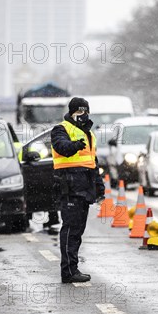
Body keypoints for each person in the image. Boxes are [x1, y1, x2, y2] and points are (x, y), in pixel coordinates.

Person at [51, 97, 105, 283]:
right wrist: (73, 146)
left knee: (78, 232)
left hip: (85, 188)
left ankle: (73, 269)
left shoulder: (90, 134)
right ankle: (67, 271)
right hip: (70, 186)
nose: (83, 115)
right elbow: (61, 147)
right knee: (70, 229)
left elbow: (92, 163)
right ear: (72, 113)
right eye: (79, 112)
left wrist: (99, 185)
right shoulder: (61, 129)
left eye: (85, 111)